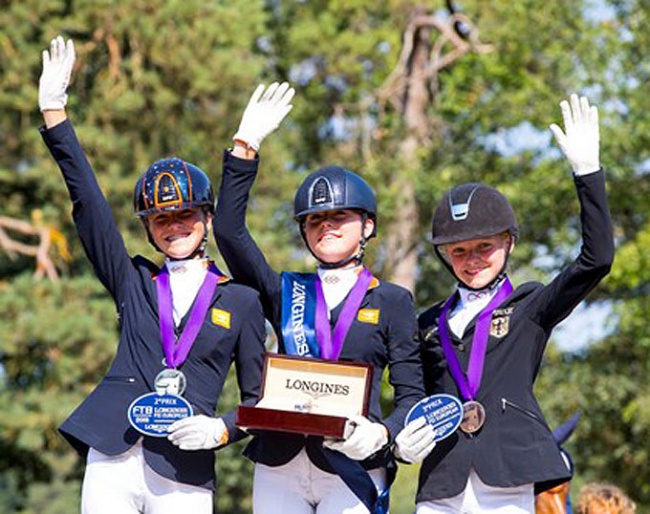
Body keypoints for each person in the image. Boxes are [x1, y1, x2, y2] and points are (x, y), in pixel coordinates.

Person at [38, 36, 266, 513]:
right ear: (149, 230)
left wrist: (221, 428)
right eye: (162, 219)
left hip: (185, 462)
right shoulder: (134, 281)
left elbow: (258, 399)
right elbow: (90, 207)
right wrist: (56, 116)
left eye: (185, 215)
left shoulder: (241, 300)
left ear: (206, 220)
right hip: (113, 452)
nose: (175, 226)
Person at [394, 94, 614, 513]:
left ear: (508, 243)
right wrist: (400, 441)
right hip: (442, 480)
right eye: (458, 251)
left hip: (507, 477)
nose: (472, 259)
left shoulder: (531, 306)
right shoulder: (428, 324)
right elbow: (413, 397)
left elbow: (596, 258)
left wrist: (588, 173)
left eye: (484, 246)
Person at [214, 83, 425, 513]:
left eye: (339, 216)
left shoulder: (392, 300)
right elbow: (229, 232)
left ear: (367, 226)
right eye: (314, 220)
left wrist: (384, 433)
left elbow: (412, 396)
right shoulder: (285, 291)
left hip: (353, 459)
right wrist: (244, 148)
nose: (326, 226)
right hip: (280, 463)